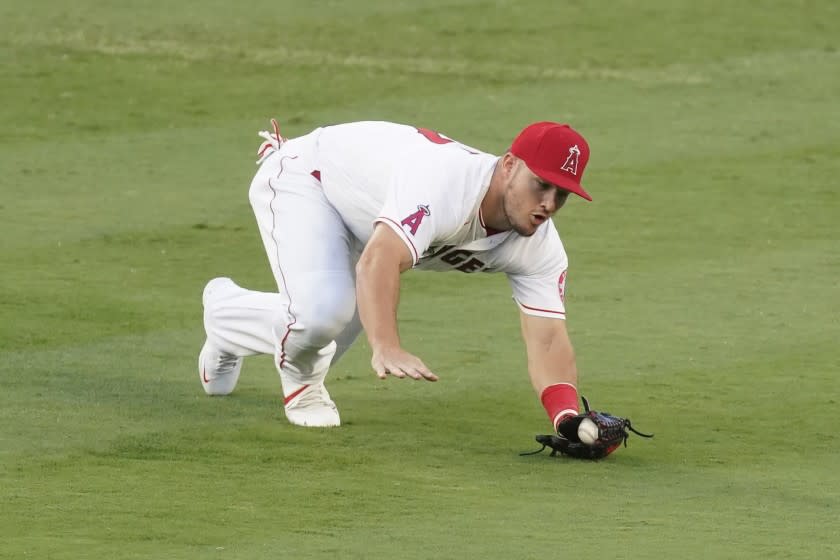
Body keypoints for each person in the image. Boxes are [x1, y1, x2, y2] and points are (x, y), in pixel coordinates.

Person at [199, 118, 592, 432]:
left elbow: (547, 340)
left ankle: (226, 317)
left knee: (321, 336)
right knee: (322, 316)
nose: (549, 203)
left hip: (367, 221)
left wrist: (568, 418)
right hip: (308, 181)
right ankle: (303, 387)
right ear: (508, 166)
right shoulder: (445, 183)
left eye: (562, 194)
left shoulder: (539, 246)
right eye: (541, 184)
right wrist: (386, 344)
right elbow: (380, 261)